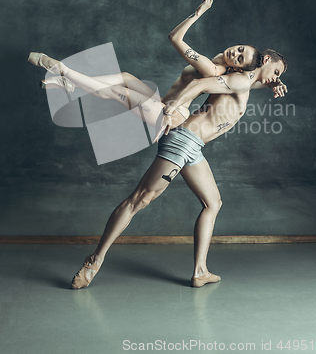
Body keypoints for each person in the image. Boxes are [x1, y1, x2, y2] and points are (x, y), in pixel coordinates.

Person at [70, 48, 287, 289]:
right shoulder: (240, 79)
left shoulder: (247, 80)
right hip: (183, 141)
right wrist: (173, 108)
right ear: (266, 60)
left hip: (193, 145)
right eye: (276, 71)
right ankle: (94, 260)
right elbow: (200, 86)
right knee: (139, 200)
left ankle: (200, 271)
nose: (275, 77)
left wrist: (273, 81)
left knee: (213, 203)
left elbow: (254, 81)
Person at [28, 0, 287, 132]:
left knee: (116, 92)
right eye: (240, 49)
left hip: (170, 116)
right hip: (162, 105)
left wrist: (198, 14)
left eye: (240, 58)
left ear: (238, 68)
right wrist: (272, 83)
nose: (236, 53)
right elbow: (247, 85)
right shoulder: (223, 64)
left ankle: (62, 70)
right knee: (126, 77)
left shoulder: (211, 68)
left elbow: (174, 38)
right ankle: (64, 81)